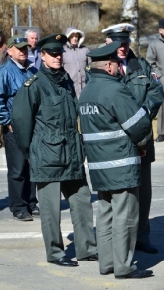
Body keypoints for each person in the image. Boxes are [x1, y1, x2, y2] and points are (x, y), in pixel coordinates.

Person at [11, 34, 97, 266]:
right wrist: (31, 153)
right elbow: (20, 122)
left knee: (82, 201)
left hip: (72, 154)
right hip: (48, 156)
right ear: (43, 56)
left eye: (60, 53)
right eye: (52, 54)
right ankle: (56, 253)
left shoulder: (66, 81)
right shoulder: (34, 85)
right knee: (51, 211)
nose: (58, 57)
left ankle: (86, 249)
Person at [78, 40, 154, 279]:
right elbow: (138, 126)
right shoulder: (115, 89)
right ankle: (124, 265)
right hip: (121, 164)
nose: (120, 69)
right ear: (109, 66)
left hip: (99, 166)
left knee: (105, 214)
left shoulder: (86, 91)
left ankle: (107, 263)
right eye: (117, 65)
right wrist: (142, 145)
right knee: (126, 216)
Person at [102, 23, 163, 254]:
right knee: (119, 193)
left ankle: (141, 237)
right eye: (119, 44)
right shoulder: (102, 68)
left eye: (126, 43)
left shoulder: (142, 66)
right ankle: (118, 240)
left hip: (142, 138)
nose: (123, 48)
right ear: (110, 43)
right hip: (117, 139)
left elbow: (156, 91)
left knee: (143, 192)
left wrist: (143, 114)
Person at [0, 35, 38, 221]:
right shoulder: (4, 72)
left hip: (32, 128)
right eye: (19, 48)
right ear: (9, 51)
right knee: (17, 170)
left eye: (25, 48)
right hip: (14, 129)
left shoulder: (32, 70)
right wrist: (7, 122)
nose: (23, 51)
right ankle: (18, 207)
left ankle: (31, 202)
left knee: (31, 167)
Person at [63, 27, 90, 98]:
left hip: (85, 87)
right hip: (70, 88)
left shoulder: (85, 50)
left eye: (76, 36)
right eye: (72, 36)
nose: (75, 38)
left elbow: (91, 67)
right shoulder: (63, 51)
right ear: (68, 37)